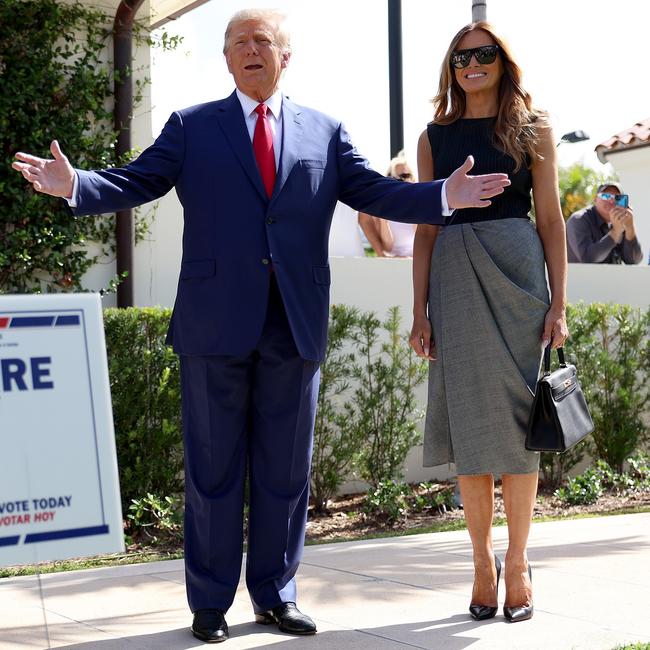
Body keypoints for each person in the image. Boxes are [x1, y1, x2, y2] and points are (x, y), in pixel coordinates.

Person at [13, 9, 511, 644]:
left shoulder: (324, 131)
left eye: (263, 41)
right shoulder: (193, 127)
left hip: (294, 323)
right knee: (212, 472)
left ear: (285, 56)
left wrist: (442, 196)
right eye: (238, 43)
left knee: (285, 472)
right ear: (225, 60)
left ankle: (276, 595)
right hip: (214, 325)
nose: (251, 50)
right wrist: (75, 184)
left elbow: (372, 194)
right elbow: (136, 181)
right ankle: (210, 603)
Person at [409, 22, 568, 623]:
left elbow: (551, 221)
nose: (471, 64)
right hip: (454, 277)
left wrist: (559, 303)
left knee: (520, 427)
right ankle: (481, 562)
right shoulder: (433, 137)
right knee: (473, 427)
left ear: (503, 61)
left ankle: (519, 561)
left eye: (484, 54)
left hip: (520, 278)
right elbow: (425, 229)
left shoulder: (534, 128)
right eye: (460, 57)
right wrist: (420, 310)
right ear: (450, 68)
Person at [566, 182, 643, 264]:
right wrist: (616, 232)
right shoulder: (579, 220)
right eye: (606, 196)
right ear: (595, 199)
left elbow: (634, 260)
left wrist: (630, 228)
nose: (611, 200)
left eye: (617, 197)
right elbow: (588, 258)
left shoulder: (620, 222)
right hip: (581, 276)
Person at [358, 151, 417, 257]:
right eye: (399, 177)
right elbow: (388, 247)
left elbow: (421, 240)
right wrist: (383, 219)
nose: (405, 180)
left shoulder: (418, 205)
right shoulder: (383, 209)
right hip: (393, 262)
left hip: (414, 261)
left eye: (407, 175)